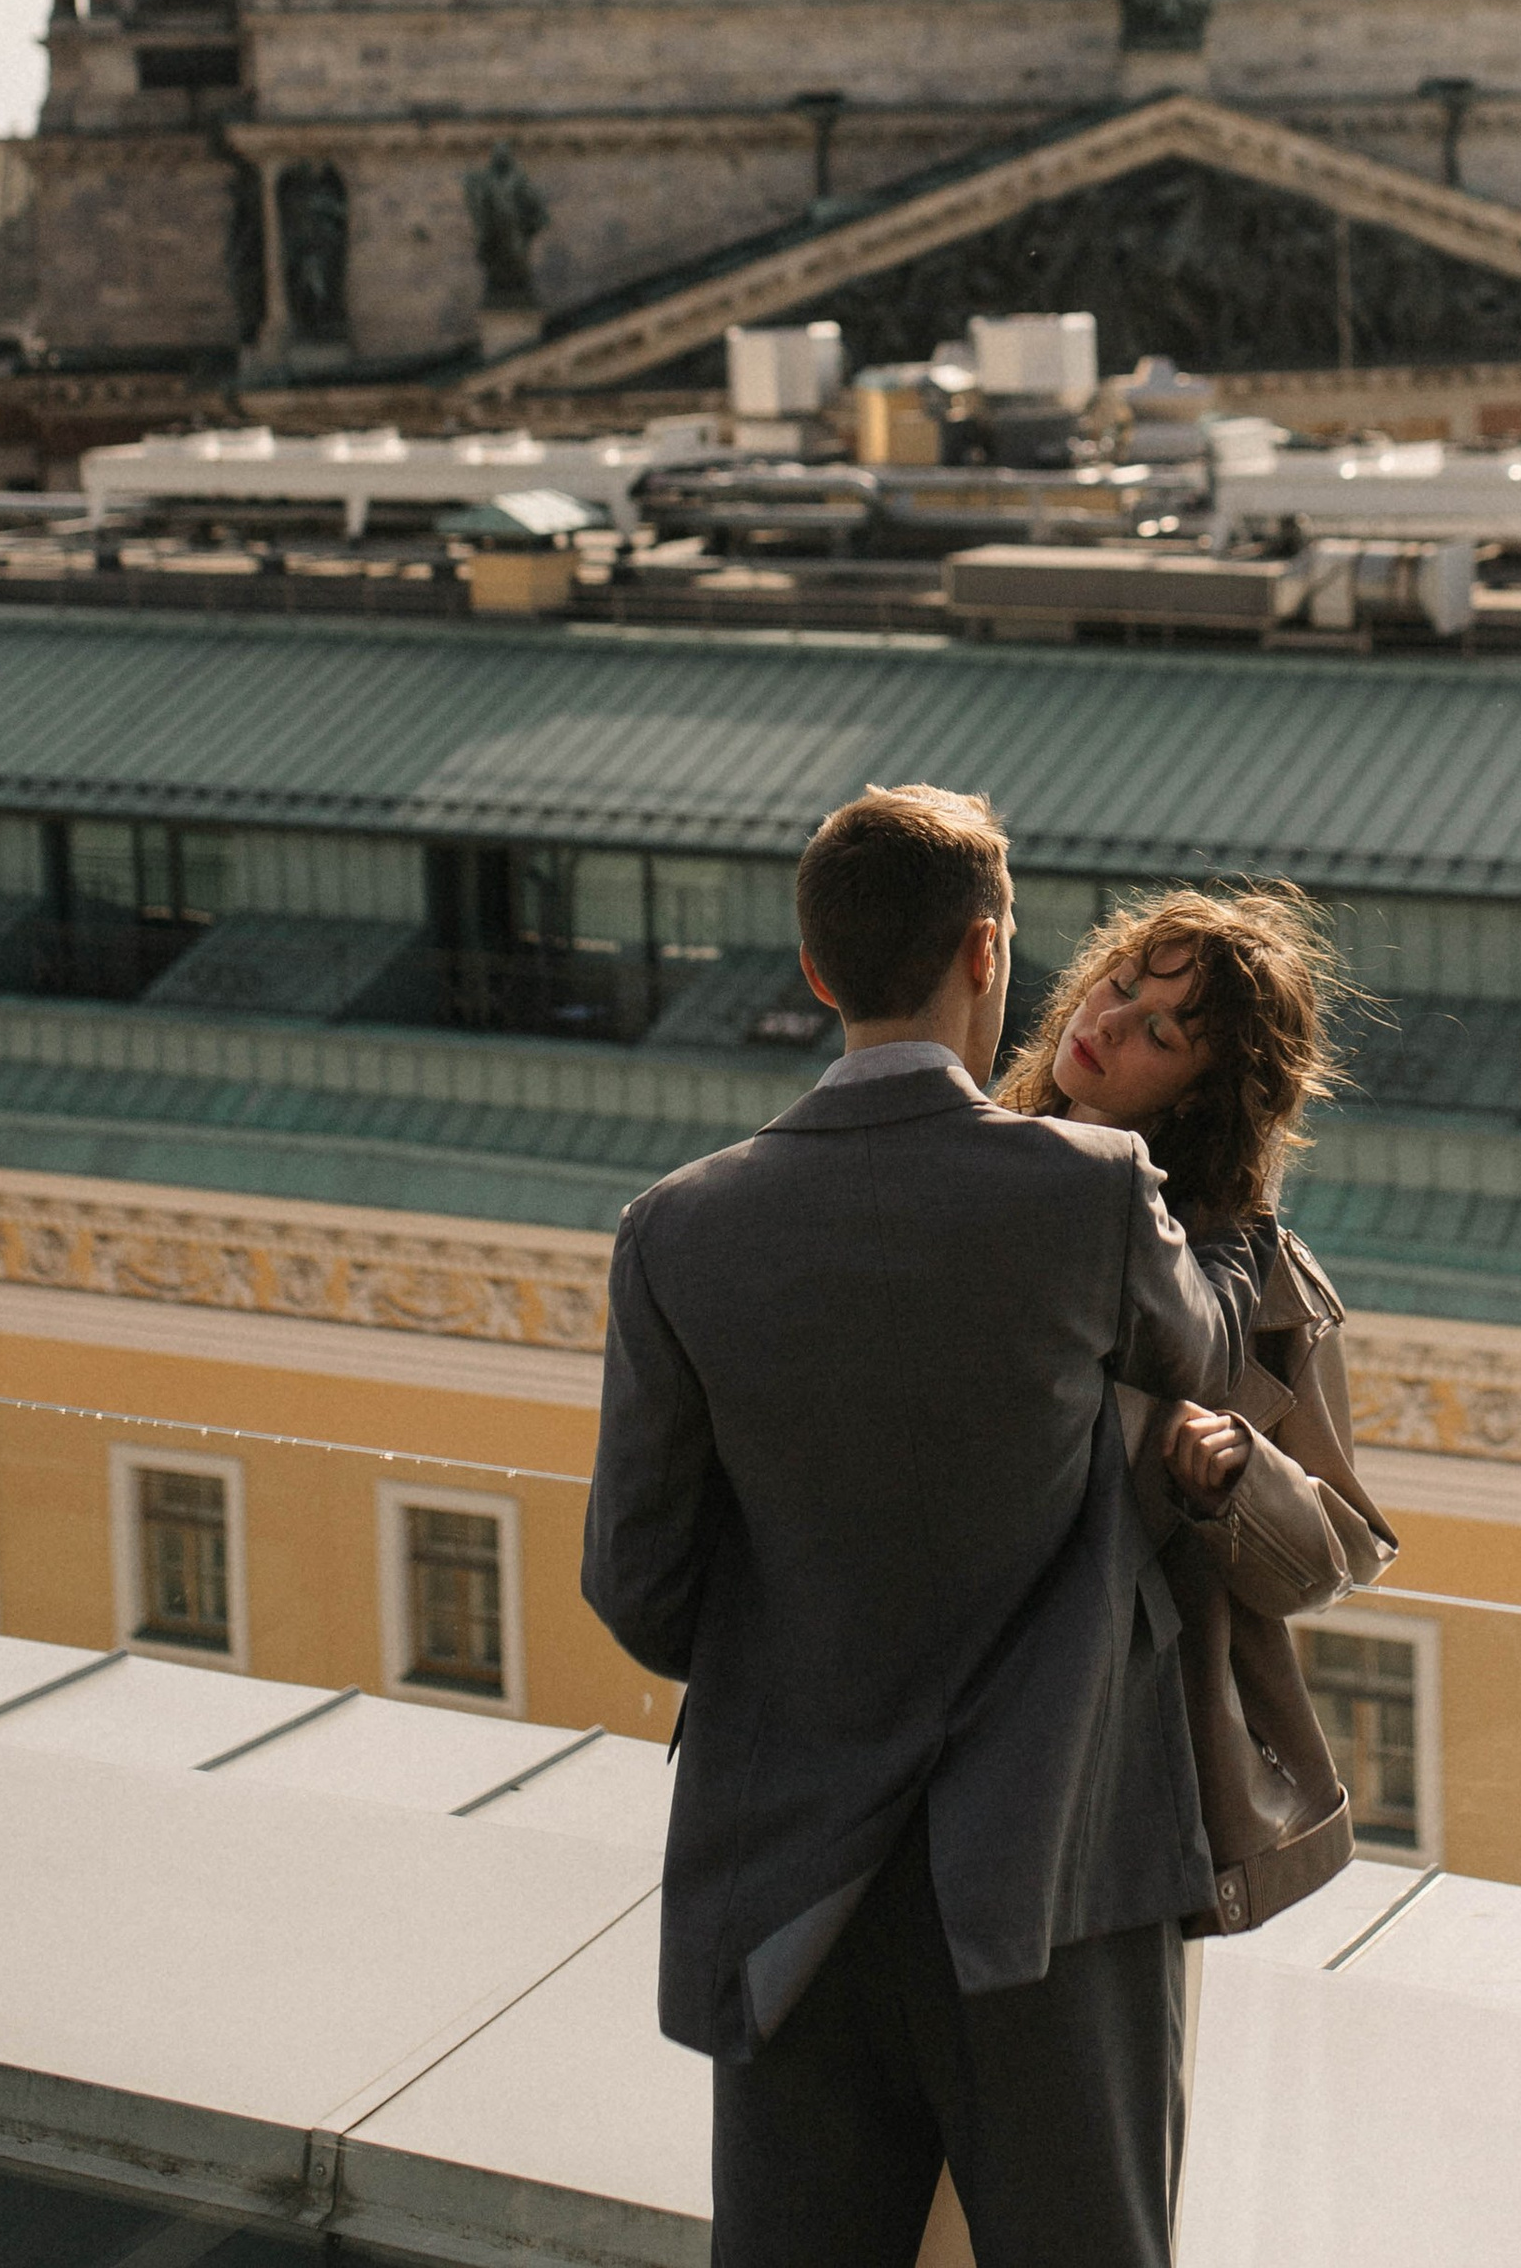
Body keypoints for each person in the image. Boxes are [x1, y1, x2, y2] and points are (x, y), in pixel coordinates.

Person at [580, 785, 1278, 2268]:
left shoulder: (676, 1230)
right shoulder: (1092, 1194)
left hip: (784, 1891)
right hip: (1052, 1880)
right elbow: (1210, 1357)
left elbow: (637, 1585)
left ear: (819, 973)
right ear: (988, 952)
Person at [995, 884, 1398, 1937]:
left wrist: (1235, 1477)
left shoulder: (1259, 1282)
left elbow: (1332, 1554)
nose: (1108, 1020)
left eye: (1160, 1030)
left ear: (1202, 1098)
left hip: (1128, 1759)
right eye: (1117, 985)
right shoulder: (965, 1162)